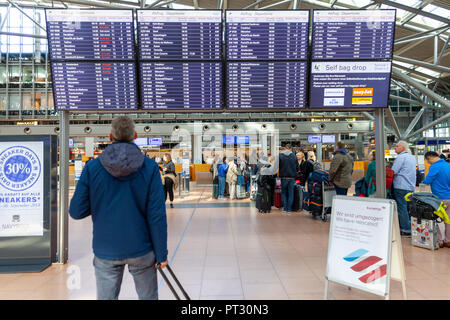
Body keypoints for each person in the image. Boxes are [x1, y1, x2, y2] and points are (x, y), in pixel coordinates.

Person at [69, 116, 168, 300]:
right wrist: (161, 254)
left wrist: (100, 200)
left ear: (110, 137)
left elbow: (76, 211)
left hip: (106, 249)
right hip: (142, 249)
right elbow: (157, 215)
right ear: (135, 136)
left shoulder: (92, 168)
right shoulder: (150, 167)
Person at [423, 151, 450, 248]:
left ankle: (439, 241)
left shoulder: (434, 167)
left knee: (436, 219)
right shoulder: (448, 165)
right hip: (449, 197)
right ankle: (448, 240)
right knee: (448, 219)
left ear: (430, 157)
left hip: (438, 198)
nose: (428, 162)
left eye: (427, 160)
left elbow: (427, 181)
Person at [391, 141, 417, 237]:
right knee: (408, 208)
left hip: (400, 186)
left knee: (402, 208)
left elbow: (393, 171)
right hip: (410, 186)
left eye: (397, 146)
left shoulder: (400, 157)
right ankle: (410, 227)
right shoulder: (412, 157)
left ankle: (405, 229)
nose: (395, 148)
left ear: (402, 148)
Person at [279, 144, 300, 213]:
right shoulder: (294, 156)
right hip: (292, 178)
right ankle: (289, 209)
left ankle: (285, 208)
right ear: (290, 148)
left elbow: (277, 166)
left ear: (285, 148)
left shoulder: (280, 156)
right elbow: (298, 168)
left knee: (284, 193)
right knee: (291, 193)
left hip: (283, 177)